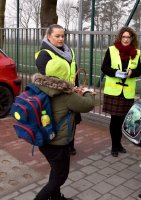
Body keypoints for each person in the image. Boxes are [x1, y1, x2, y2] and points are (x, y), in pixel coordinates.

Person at [32, 69, 95, 200]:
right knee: (60, 176)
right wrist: (87, 92)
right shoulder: (66, 95)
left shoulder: (40, 88)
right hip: (58, 143)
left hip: (43, 139)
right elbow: (88, 105)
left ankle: (56, 197)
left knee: (56, 171)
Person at [35, 24, 80, 156]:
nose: (61, 39)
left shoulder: (69, 51)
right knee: (59, 122)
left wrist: (76, 88)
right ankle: (56, 146)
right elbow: (46, 80)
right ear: (49, 37)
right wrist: (64, 89)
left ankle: (70, 145)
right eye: (57, 36)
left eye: (63, 36)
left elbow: (73, 72)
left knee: (72, 120)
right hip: (56, 96)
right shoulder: (44, 54)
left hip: (71, 93)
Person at [101, 27, 141, 157]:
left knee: (123, 120)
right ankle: (114, 145)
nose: (125, 40)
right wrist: (115, 73)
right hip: (114, 91)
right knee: (115, 120)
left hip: (127, 92)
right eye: (123, 37)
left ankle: (119, 144)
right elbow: (104, 68)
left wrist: (132, 73)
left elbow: (139, 70)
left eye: (128, 37)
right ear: (120, 38)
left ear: (132, 39)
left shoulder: (136, 52)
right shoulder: (112, 50)